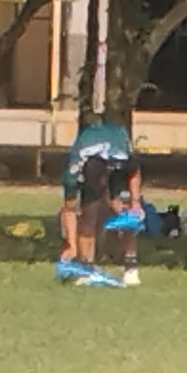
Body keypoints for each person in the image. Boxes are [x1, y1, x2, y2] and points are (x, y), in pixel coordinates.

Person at [55, 121, 137, 287]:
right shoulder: (74, 173)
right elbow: (69, 209)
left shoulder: (122, 161)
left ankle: (130, 266)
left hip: (117, 160)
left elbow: (134, 172)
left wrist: (135, 202)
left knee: (125, 213)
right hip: (92, 165)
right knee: (89, 213)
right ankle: (86, 267)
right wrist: (71, 245)